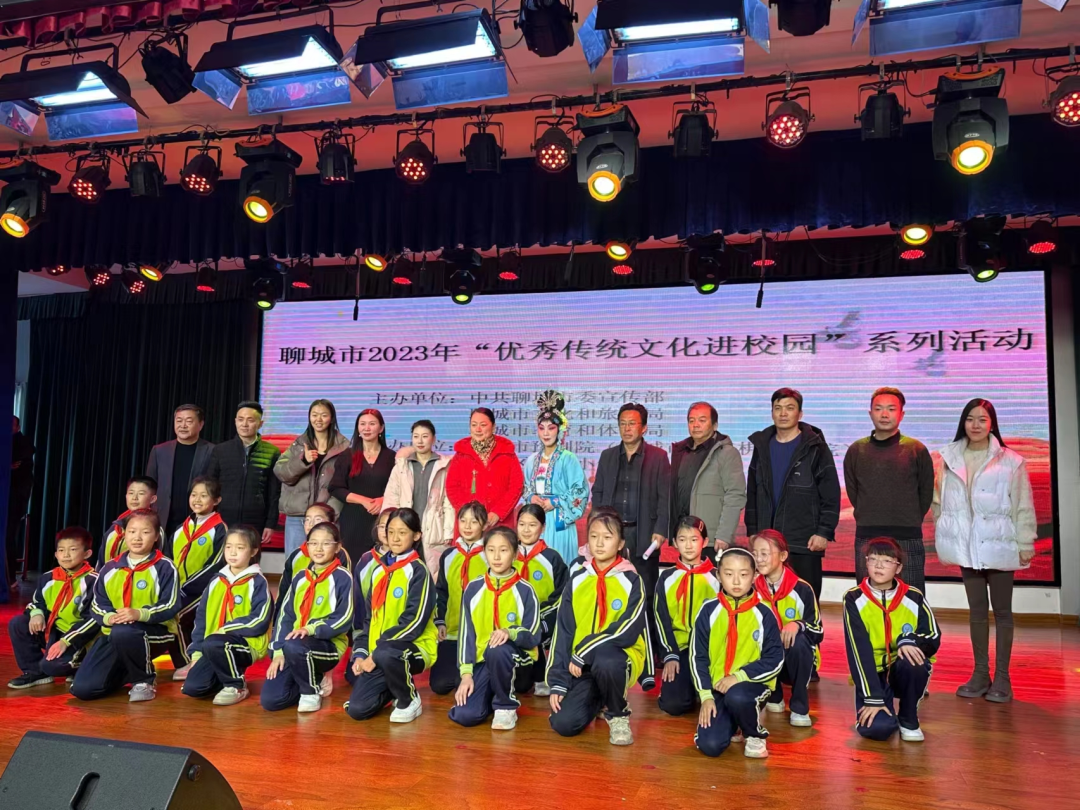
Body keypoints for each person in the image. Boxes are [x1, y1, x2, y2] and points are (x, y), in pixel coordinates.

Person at [933, 398, 1036, 703]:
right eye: (970, 418)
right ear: (962, 422)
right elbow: (939, 502)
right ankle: (980, 674)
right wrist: (945, 531)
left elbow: (1022, 503)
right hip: (967, 548)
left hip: (999, 544)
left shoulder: (1011, 461)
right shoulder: (948, 458)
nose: (975, 425)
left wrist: (1026, 542)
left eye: (982, 419)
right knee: (977, 611)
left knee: (1002, 612)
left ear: (992, 424)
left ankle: (1003, 678)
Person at [547, 509, 652, 746]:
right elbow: (563, 632)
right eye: (594, 537)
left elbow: (627, 631)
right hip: (581, 666)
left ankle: (618, 714)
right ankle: (600, 698)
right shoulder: (577, 580)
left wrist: (585, 649)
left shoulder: (632, 580)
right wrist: (558, 681)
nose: (600, 543)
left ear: (620, 543)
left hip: (619, 660)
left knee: (607, 659)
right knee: (563, 723)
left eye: (607, 537)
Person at [72, 510, 180, 702]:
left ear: (156, 536)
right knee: (83, 690)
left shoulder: (165, 567)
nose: (137, 537)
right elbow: (97, 604)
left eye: (145, 532)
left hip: (155, 631)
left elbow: (170, 604)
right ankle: (129, 671)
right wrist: (109, 617)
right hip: (113, 633)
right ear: (124, 534)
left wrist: (139, 614)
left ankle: (144, 681)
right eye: (132, 531)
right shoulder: (109, 567)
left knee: (124, 632)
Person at [745, 389, 841, 598]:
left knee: (804, 599)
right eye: (777, 408)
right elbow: (752, 492)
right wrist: (753, 530)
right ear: (772, 413)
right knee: (766, 600)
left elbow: (831, 493)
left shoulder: (816, 447)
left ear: (800, 413)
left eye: (790, 408)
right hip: (767, 540)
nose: (783, 413)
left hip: (804, 540)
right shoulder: (762, 446)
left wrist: (824, 532)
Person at [345, 508, 437, 723]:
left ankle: (409, 699)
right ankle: (394, 689)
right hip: (380, 651)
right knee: (357, 710)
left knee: (388, 654)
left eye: (402, 533)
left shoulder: (419, 571)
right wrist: (361, 653)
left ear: (416, 536)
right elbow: (369, 620)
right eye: (391, 532)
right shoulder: (378, 571)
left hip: (414, 648)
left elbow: (414, 623)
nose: (395, 538)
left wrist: (376, 653)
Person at [844, 537, 941, 743]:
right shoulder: (853, 598)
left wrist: (908, 640)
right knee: (877, 730)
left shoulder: (913, 596)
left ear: (898, 568)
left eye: (887, 561)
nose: (878, 565)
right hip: (873, 673)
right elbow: (858, 650)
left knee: (914, 660)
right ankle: (883, 708)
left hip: (901, 668)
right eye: (873, 559)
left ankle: (908, 715)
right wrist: (873, 698)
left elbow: (933, 637)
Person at [692, 548, 785, 759]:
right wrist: (705, 696)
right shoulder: (708, 611)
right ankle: (734, 723)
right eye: (728, 574)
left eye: (743, 574)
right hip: (718, 687)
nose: (736, 581)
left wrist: (739, 676)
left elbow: (775, 659)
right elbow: (697, 657)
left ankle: (754, 734)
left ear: (754, 576)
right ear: (718, 575)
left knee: (738, 696)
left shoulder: (764, 613)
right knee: (710, 745)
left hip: (751, 686)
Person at [590, 403, 669, 649]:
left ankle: (648, 646)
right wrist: (597, 528)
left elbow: (665, 497)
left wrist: (661, 529)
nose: (627, 428)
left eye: (632, 423)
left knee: (645, 591)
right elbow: (598, 492)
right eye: (622, 423)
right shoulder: (608, 456)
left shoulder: (658, 457)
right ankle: (609, 641)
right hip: (613, 534)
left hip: (643, 533)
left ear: (643, 428)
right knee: (611, 587)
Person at [451, 526, 542, 730]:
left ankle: (505, 706)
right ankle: (493, 693)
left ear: (515, 554)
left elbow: (533, 635)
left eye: (504, 550)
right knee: (465, 715)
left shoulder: (526, 590)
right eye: (491, 550)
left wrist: (510, 632)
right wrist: (466, 674)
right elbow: (467, 635)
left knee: (498, 649)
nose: (497, 556)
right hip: (483, 661)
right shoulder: (473, 588)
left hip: (518, 661)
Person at [844, 387, 934, 591]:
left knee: (911, 595)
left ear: (902, 414)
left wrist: (908, 519)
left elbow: (925, 493)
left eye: (891, 409)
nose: (884, 414)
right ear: (870, 413)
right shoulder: (856, 450)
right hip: (868, 533)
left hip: (907, 534)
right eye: (878, 409)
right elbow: (853, 491)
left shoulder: (916, 449)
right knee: (867, 596)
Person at [261, 522, 353, 714]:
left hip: (327, 646)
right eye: (313, 543)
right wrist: (278, 652)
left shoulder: (342, 577)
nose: (318, 549)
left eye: (326, 543)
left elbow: (344, 618)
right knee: (271, 700)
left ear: (337, 547)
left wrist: (310, 629)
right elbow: (286, 617)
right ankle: (311, 677)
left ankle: (309, 692)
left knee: (296, 645)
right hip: (295, 647)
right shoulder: (300, 577)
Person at [181, 526, 273, 706]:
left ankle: (236, 685)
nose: (233, 552)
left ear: (253, 551)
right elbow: (201, 619)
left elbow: (260, 620)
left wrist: (226, 629)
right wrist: (196, 654)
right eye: (228, 547)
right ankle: (225, 675)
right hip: (212, 645)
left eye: (240, 548)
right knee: (193, 687)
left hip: (245, 645)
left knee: (216, 642)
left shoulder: (257, 582)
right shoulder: (216, 581)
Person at [7, 527, 98, 688]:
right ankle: (35, 672)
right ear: (56, 554)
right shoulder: (48, 577)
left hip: (78, 637)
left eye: (73, 550)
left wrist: (66, 641)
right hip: (53, 631)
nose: (66, 555)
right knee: (18, 623)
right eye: (61, 550)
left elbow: (93, 619)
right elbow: (37, 602)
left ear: (87, 554)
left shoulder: (94, 581)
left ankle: (82, 664)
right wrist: (37, 613)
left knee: (52, 666)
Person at [751, 529, 822, 727]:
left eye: (765, 553)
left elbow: (818, 631)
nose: (759, 559)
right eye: (755, 554)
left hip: (795, 660)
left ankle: (799, 704)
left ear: (783, 556)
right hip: (766, 657)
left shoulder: (802, 588)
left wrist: (798, 624)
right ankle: (774, 693)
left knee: (799, 641)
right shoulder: (751, 588)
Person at [654, 516, 720, 717]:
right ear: (674, 543)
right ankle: (684, 688)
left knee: (721, 700)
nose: (688, 545)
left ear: (705, 542)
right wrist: (670, 654)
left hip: (710, 651)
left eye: (694, 539)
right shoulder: (666, 578)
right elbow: (660, 619)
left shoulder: (717, 577)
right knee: (673, 705)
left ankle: (697, 687)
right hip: (680, 649)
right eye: (682, 539)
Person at [165, 477, 226, 681]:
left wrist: (187, 587)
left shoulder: (220, 529)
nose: (197, 499)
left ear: (216, 500)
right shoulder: (181, 528)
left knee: (176, 615)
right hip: (177, 588)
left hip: (203, 589)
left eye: (204, 495)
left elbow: (216, 564)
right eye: (194, 495)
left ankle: (187, 662)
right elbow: (168, 559)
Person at [668, 402, 746, 556]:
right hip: (684, 536)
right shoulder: (681, 451)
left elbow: (735, 495)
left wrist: (724, 534)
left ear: (715, 425)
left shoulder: (727, 453)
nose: (695, 425)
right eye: (691, 420)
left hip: (710, 538)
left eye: (702, 420)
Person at [274, 399, 350, 557]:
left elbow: (345, 483)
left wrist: (329, 513)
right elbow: (281, 472)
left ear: (332, 418)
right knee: (295, 562)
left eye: (324, 415)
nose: (318, 419)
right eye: (314, 415)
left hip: (327, 517)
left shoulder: (344, 447)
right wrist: (302, 461)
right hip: (298, 516)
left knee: (325, 561)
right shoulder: (299, 444)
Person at [521, 391, 590, 563]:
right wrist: (531, 497)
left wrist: (555, 501)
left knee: (558, 565)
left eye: (551, 428)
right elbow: (524, 488)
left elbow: (580, 491)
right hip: (536, 521)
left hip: (560, 522)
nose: (546, 433)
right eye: (541, 428)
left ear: (560, 430)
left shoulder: (568, 459)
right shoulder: (531, 460)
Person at [431, 501, 490, 695]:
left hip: (480, 634)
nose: (467, 526)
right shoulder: (449, 555)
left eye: (474, 521)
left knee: (465, 682)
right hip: (453, 632)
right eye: (463, 520)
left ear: (484, 524)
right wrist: (440, 621)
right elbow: (441, 591)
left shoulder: (490, 554)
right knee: (439, 685)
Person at [382, 419, 454, 578]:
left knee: (433, 574)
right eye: (416, 436)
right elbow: (391, 498)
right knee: (404, 573)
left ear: (433, 439)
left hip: (433, 528)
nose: (420, 441)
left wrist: (448, 531)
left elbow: (448, 501)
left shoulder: (444, 466)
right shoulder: (401, 466)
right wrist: (389, 528)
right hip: (405, 527)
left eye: (425, 436)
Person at [206, 402, 281, 544]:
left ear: (260, 423)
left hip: (256, 520)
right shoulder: (221, 450)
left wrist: (270, 524)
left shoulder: (272, 452)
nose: (244, 424)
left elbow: (274, 493)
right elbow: (210, 486)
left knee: (250, 555)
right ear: (235, 421)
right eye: (240, 419)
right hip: (223, 518)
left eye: (250, 420)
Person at [515, 503, 569, 697]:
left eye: (532, 525)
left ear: (543, 528)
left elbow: (561, 594)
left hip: (545, 619)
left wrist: (538, 615)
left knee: (535, 627)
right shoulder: (507, 554)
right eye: (522, 524)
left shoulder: (552, 557)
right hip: (512, 619)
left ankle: (542, 676)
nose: (526, 530)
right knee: (521, 686)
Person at [330, 409, 396, 562]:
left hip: (382, 519)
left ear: (381, 428)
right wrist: (364, 500)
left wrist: (383, 500)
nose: (367, 428)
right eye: (362, 424)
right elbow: (335, 488)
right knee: (354, 562)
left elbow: (398, 488)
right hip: (353, 520)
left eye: (372, 424)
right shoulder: (347, 455)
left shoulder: (392, 457)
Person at [445, 408, 524, 532]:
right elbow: (452, 488)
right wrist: (470, 515)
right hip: (469, 525)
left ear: (493, 427)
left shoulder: (506, 452)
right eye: (474, 425)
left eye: (483, 425)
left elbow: (516, 486)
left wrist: (498, 512)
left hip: (499, 523)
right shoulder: (461, 454)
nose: (478, 429)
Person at [145, 404, 215, 537]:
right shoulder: (159, 451)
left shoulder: (212, 451)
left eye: (189, 421)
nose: (183, 425)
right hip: (163, 519)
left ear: (200, 425)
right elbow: (150, 485)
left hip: (197, 517)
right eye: (179, 421)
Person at [278, 502, 351, 610]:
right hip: (297, 613)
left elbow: (344, 591)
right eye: (307, 519)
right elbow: (285, 588)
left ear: (331, 524)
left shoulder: (339, 553)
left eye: (318, 519)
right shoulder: (296, 555)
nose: (311, 524)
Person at [101, 476, 161, 566]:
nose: (134, 498)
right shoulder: (115, 527)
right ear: (126, 496)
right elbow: (101, 560)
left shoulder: (154, 528)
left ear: (152, 499)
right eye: (131, 493)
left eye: (141, 493)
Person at [6, 415, 34, 584]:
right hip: (11, 498)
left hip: (15, 500)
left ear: (18, 427)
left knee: (8, 536)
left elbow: (18, 463)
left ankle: (10, 578)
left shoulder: (23, 444)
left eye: (11, 424)